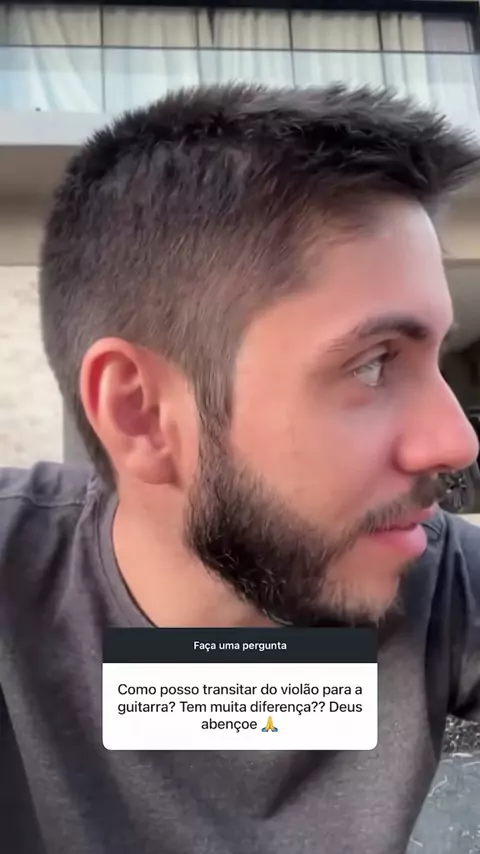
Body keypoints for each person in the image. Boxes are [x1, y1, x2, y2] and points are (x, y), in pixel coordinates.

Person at [1, 82, 480, 854]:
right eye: (372, 365)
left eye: (435, 358)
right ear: (141, 413)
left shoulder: (435, 576)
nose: (455, 442)